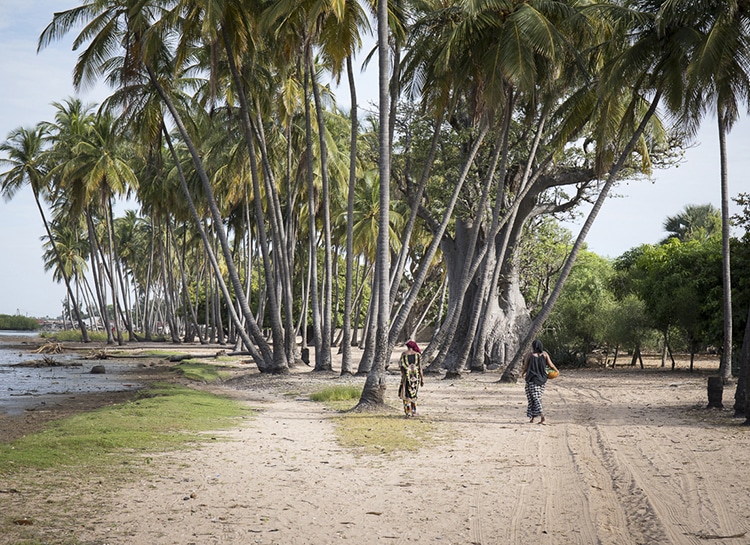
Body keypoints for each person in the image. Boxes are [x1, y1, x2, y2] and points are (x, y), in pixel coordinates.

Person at [521, 339, 558, 425]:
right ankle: (533, 418)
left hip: (532, 379)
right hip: (542, 380)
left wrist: (523, 373)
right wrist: (557, 371)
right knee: (536, 397)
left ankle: (542, 416)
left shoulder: (530, 355)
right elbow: (551, 365)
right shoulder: (545, 354)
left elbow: (526, 366)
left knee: (533, 398)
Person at [399, 340, 424, 418]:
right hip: (416, 378)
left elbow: (401, 367)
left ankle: (408, 412)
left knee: (406, 394)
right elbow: (420, 368)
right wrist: (422, 379)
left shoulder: (403, 355)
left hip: (406, 377)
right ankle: (414, 412)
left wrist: (403, 376)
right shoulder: (418, 355)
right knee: (414, 393)